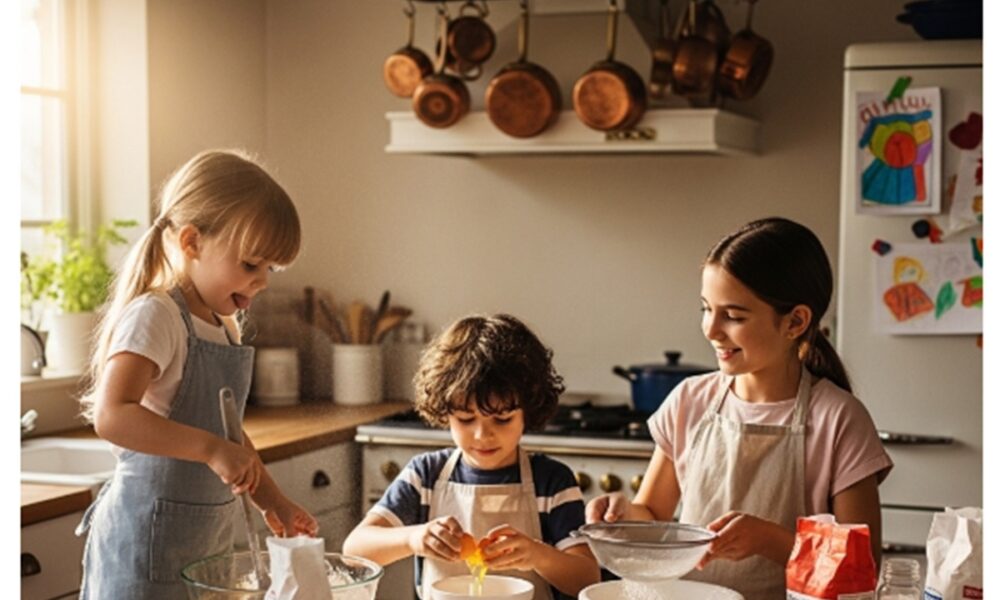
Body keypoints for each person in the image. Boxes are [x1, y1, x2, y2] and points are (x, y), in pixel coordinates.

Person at [586, 217, 894, 600]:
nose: (711, 330)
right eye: (705, 309)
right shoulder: (690, 401)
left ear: (795, 321)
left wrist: (769, 540)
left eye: (733, 316)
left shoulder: (839, 420)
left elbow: (860, 568)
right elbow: (652, 517)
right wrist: (622, 516)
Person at [75, 150, 319, 598]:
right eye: (250, 264)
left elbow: (228, 436)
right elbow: (112, 415)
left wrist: (274, 501)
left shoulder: (223, 326)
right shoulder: (157, 315)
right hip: (143, 546)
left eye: (270, 268)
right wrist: (210, 450)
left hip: (203, 548)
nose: (262, 280)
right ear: (192, 243)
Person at [343, 314, 600, 600]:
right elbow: (355, 551)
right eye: (466, 419)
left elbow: (587, 579)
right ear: (445, 411)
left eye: (502, 420)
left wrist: (538, 556)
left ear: (528, 411)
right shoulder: (425, 476)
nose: (482, 435)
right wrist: (414, 538)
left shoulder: (551, 481)